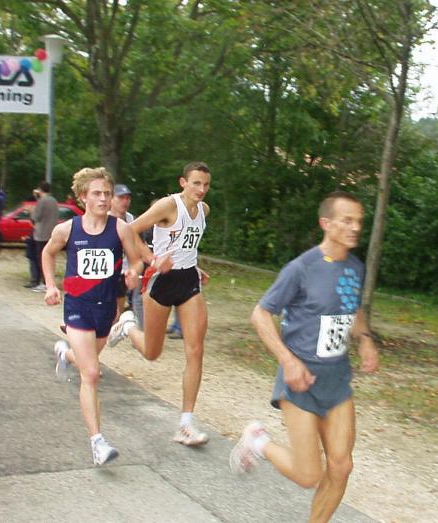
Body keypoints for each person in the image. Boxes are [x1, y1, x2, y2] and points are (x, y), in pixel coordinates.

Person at [229, 191, 379, 523]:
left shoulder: (356, 267)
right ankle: (258, 441)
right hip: (300, 381)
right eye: (347, 220)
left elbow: (353, 310)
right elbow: (260, 314)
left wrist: (365, 339)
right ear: (326, 223)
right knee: (308, 475)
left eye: (359, 221)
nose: (355, 228)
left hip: (336, 380)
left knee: (341, 467)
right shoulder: (301, 268)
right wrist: (288, 360)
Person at [42, 167, 142, 466]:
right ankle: (98, 443)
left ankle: (65, 353)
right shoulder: (67, 229)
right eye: (97, 193)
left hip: (106, 309)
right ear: (83, 197)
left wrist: (133, 273)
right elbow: (47, 253)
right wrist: (50, 285)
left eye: (107, 194)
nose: (103, 199)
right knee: (92, 374)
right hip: (78, 307)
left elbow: (136, 260)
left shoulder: (120, 229)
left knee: (89, 364)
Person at [107, 161, 211, 446]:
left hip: (188, 281)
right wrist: (153, 259)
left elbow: (186, 246)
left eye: (205, 184)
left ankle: (186, 424)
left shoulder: (204, 210)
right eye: (196, 183)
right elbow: (129, 230)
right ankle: (127, 326)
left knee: (196, 350)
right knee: (152, 353)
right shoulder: (168, 206)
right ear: (183, 183)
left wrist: (195, 266)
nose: (201, 189)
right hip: (159, 282)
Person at [109, 183, 135, 319]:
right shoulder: (104, 218)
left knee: (117, 313)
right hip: (106, 272)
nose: (125, 201)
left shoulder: (131, 219)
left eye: (127, 198)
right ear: (111, 199)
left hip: (124, 272)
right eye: (121, 198)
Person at [31, 181, 60, 292]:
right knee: (51, 258)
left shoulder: (41, 201)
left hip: (41, 234)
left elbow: (35, 217)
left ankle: (42, 283)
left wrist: (33, 207)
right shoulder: (54, 201)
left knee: (41, 259)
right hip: (52, 233)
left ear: (40, 190)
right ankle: (48, 281)